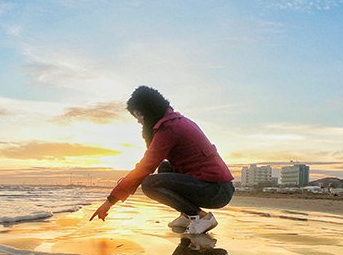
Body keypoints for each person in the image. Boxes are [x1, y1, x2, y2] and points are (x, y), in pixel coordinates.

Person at [89, 86, 234, 234]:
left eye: (138, 115)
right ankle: (187, 215)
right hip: (215, 187)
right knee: (165, 167)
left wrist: (109, 202)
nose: (138, 121)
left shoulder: (169, 128)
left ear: (147, 110)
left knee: (149, 184)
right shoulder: (175, 122)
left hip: (216, 191)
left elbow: (145, 167)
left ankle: (200, 217)